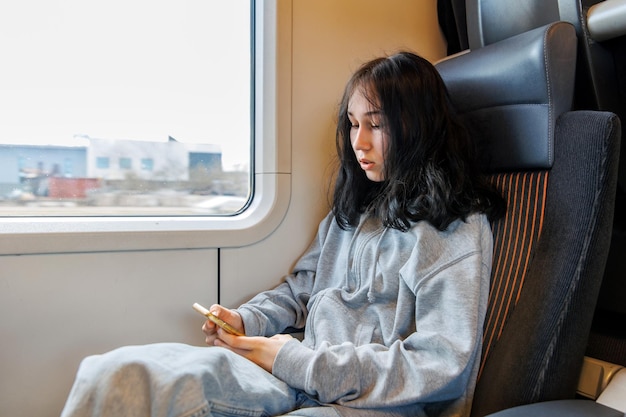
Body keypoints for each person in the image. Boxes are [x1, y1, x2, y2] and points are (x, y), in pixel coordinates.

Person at [60, 51, 505, 417]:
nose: (358, 142)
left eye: (377, 123)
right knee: (117, 372)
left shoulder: (454, 227)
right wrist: (246, 319)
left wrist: (290, 359)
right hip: (298, 371)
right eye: (352, 123)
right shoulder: (354, 212)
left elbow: (440, 363)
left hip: (377, 402)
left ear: (417, 126)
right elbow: (302, 289)